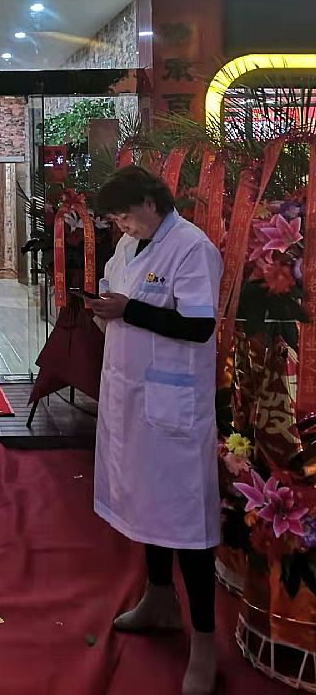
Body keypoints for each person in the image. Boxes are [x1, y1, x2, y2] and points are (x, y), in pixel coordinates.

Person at [83, 166, 223, 695]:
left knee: (186, 520)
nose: (121, 226)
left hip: (173, 407)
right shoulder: (127, 247)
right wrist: (103, 307)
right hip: (131, 395)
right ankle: (159, 598)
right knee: (145, 504)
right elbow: (118, 301)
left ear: (150, 201)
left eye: (124, 215)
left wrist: (129, 310)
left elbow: (199, 325)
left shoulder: (192, 248)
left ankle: (204, 642)